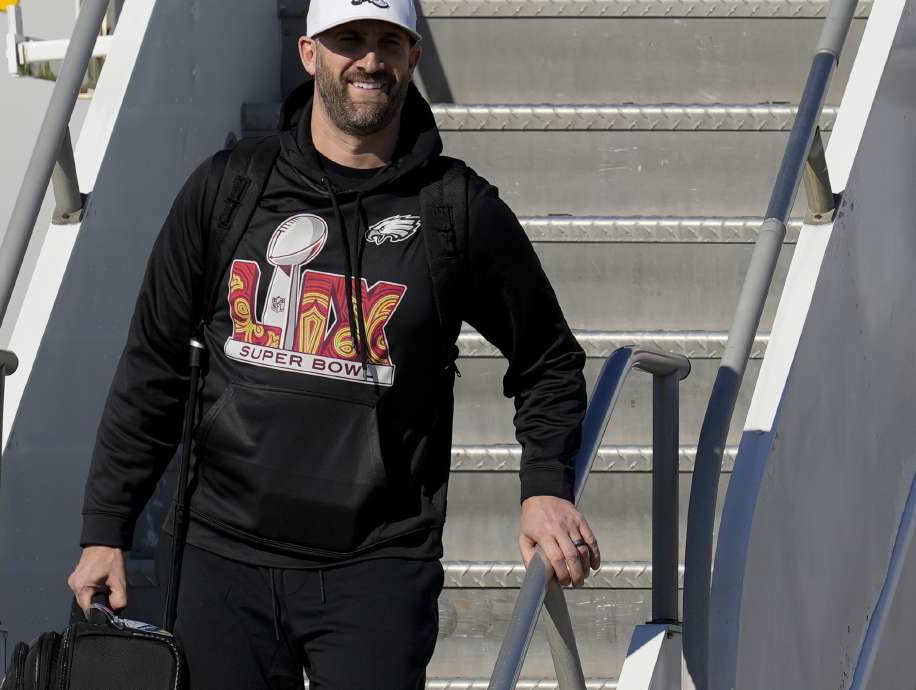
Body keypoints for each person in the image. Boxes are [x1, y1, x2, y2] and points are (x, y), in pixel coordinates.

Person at [68, 1, 599, 687]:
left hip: (376, 565)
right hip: (219, 552)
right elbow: (154, 366)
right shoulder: (227, 190)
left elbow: (548, 359)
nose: (369, 60)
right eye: (350, 40)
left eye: (388, 42)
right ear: (311, 53)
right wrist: (106, 527)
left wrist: (544, 486)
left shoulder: (455, 210)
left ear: (413, 58)